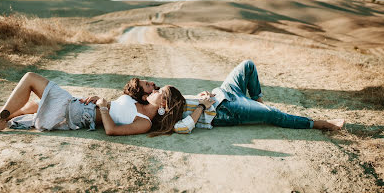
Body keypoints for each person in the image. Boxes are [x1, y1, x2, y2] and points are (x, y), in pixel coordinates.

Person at [123, 60, 345, 133]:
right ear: (144, 97)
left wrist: (201, 95)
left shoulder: (162, 95)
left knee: (247, 65)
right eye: (147, 86)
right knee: (271, 115)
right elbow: (183, 128)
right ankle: (319, 124)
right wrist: (201, 106)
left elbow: (185, 99)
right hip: (225, 111)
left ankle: (256, 101)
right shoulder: (161, 117)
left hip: (223, 93)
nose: (152, 84)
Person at [0, 72, 185, 136]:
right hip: (79, 106)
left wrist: (103, 106)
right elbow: (116, 104)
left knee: (31, 78)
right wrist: (99, 101)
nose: (155, 89)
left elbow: (112, 130)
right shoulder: (139, 102)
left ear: (164, 103)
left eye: (159, 90)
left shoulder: (144, 122)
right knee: (30, 106)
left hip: (74, 114)